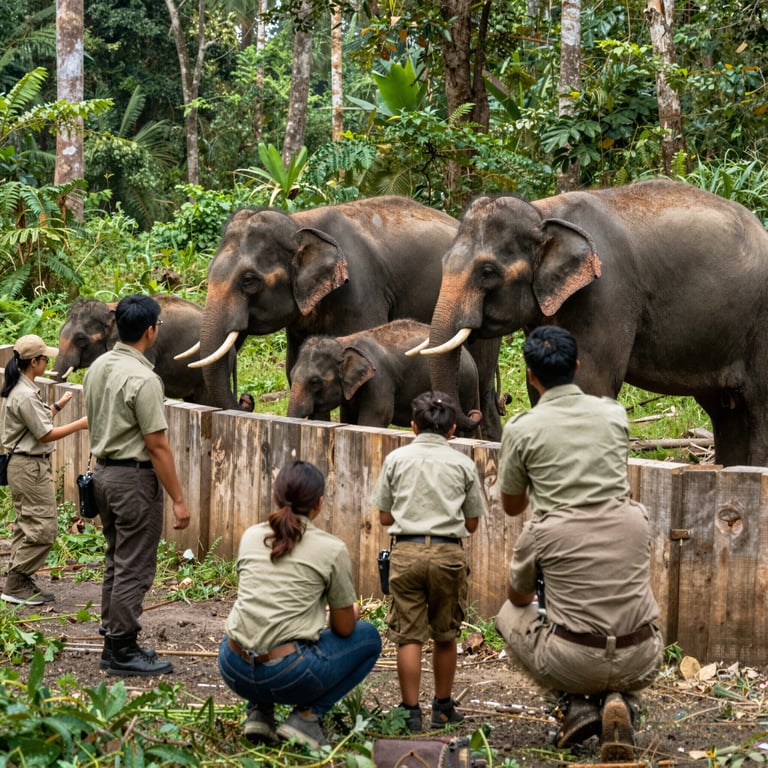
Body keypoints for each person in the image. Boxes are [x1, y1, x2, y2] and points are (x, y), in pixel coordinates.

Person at [494, 325, 663, 761]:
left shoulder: (523, 430)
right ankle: (622, 700)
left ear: (529, 375)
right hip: (643, 656)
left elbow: (513, 507)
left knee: (509, 613)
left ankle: (576, 702)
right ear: (578, 366)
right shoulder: (614, 420)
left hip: (572, 652)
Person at [218, 460, 381, 749]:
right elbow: (344, 629)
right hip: (288, 673)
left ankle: (259, 711)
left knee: (257, 622)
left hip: (233, 667)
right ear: (319, 504)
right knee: (368, 638)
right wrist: (351, 612)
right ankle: (307, 717)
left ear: (275, 495)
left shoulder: (251, 536)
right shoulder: (332, 549)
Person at [83, 294, 191, 677]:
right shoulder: (144, 379)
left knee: (116, 559)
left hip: (104, 476)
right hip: (133, 480)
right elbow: (157, 446)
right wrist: (178, 499)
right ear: (150, 331)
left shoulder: (97, 368)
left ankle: (112, 642)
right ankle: (123, 649)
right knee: (135, 567)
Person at [370, 391, 487, 733]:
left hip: (404, 553)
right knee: (446, 634)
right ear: (452, 429)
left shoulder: (396, 460)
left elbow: (383, 516)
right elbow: (472, 523)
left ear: (412, 427)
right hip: (448, 554)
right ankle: (443, 707)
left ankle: (410, 712)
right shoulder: (463, 464)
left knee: (408, 636)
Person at [0, 335, 88, 605]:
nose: (47, 361)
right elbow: (45, 435)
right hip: (29, 467)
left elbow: (34, 423)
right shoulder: (24, 394)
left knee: (27, 524)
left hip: (25, 465)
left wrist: (58, 406)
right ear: (34, 362)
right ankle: (16, 581)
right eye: (44, 358)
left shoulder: (23, 389)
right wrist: (81, 423)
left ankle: (19, 578)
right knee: (43, 528)